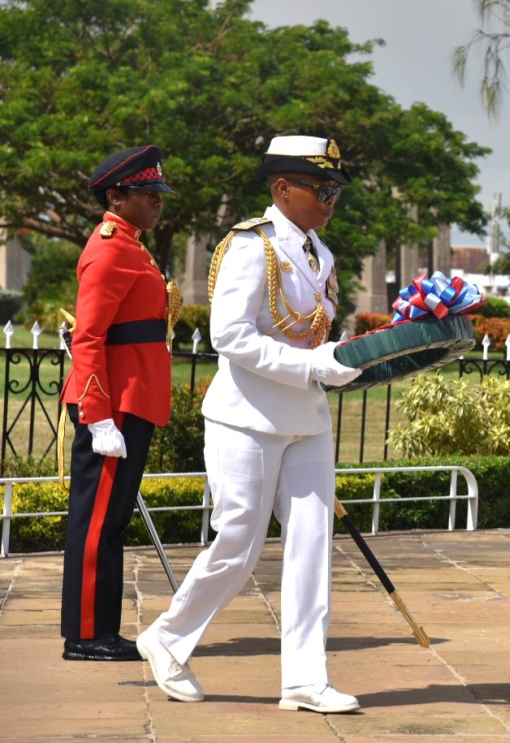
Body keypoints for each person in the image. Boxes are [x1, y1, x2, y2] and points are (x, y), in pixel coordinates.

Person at [137, 136, 363, 710]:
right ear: (283, 188)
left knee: (312, 542)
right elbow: (230, 336)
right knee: (239, 542)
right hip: (247, 418)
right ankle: (167, 638)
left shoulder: (320, 253)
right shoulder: (251, 245)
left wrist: (342, 360)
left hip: (306, 417)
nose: (330, 200)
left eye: (335, 191)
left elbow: (311, 334)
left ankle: (305, 679)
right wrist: (312, 365)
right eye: (321, 189)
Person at [60, 145, 178, 662]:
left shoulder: (132, 245)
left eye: (157, 193)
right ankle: (86, 636)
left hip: (132, 399)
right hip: (114, 404)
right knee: (95, 524)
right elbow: (88, 338)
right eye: (147, 193)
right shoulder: (110, 249)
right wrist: (98, 415)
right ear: (116, 197)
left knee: (110, 522)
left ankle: (100, 629)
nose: (157, 202)